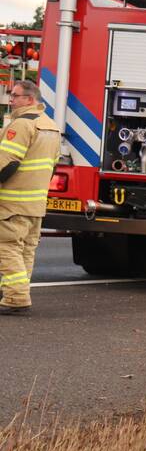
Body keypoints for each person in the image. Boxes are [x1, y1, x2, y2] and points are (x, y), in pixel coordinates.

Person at [0, 80, 61, 315]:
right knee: (25, 250)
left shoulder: (22, 125)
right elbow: (52, 167)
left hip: (12, 202)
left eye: (15, 96)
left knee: (7, 248)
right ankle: (16, 292)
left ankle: (16, 297)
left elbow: (7, 163)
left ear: (30, 99)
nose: (11, 100)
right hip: (35, 203)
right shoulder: (51, 126)